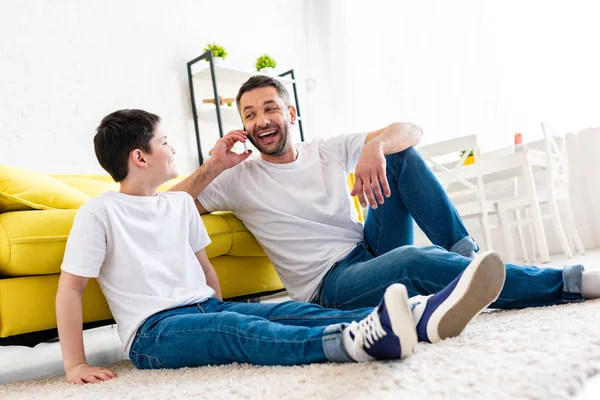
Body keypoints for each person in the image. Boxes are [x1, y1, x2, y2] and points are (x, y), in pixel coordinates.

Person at [55, 109, 507, 384]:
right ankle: (350, 342)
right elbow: (71, 289)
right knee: (238, 334)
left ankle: (417, 316)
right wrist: (74, 365)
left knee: (290, 312)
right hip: (154, 332)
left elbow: (203, 268)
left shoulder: (177, 205)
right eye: (165, 142)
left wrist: (218, 302)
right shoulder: (100, 212)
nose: (172, 150)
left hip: (202, 309)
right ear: (140, 157)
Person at [171, 75, 600, 311]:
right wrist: (212, 166)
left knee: (400, 155)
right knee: (415, 260)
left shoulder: (323, 150)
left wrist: (374, 147)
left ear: (291, 114)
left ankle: (466, 258)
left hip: (369, 248)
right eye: (249, 115)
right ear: (243, 126)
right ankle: (568, 282)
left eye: (269, 109)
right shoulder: (236, 175)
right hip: (332, 284)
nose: (260, 121)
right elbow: (166, 206)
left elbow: (411, 130)